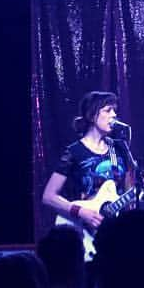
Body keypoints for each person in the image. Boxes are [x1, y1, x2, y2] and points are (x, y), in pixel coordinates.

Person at [41, 91, 135, 243]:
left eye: (115, 110)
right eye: (108, 110)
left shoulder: (118, 148)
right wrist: (80, 211)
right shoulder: (74, 152)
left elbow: (128, 196)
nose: (114, 115)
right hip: (84, 231)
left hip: (115, 231)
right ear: (92, 115)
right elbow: (48, 196)